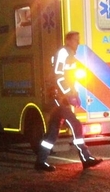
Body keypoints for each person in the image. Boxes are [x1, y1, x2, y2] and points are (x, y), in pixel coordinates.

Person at [35, 31, 102, 171]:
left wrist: (75, 93)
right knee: (76, 125)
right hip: (60, 98)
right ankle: (86, 158)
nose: (78, 43)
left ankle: (40, 161)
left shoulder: (70, 55)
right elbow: (58, 76)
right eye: (76, 40)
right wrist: (68, 94)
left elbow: (70, 77)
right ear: (69, 41)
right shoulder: (63, 53)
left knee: (53, 131)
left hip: (60, 98)